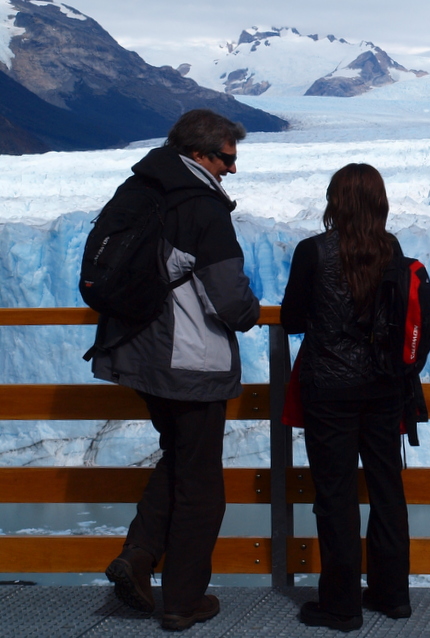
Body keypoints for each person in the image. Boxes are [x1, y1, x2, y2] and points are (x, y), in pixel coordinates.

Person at [95, 109, 260, 631]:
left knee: (180, 458)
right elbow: (230, 299)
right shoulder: (201, 208)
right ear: (200, 154)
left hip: (139, 354)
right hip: (188, 361)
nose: (232, 169)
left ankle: (139, 556)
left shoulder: (138, 190)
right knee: (202, 487)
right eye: (227, 158)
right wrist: (254, 315)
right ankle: (182, 601)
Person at [282, 163, 413, 632]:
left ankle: (341, 606)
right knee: (386, 488)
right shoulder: (392, 249)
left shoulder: (313, 251)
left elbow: (293, 318)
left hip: (330, 390)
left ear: (335, 201)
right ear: (379, 202)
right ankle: (393, 595)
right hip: (383, 388)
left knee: (335, 496)